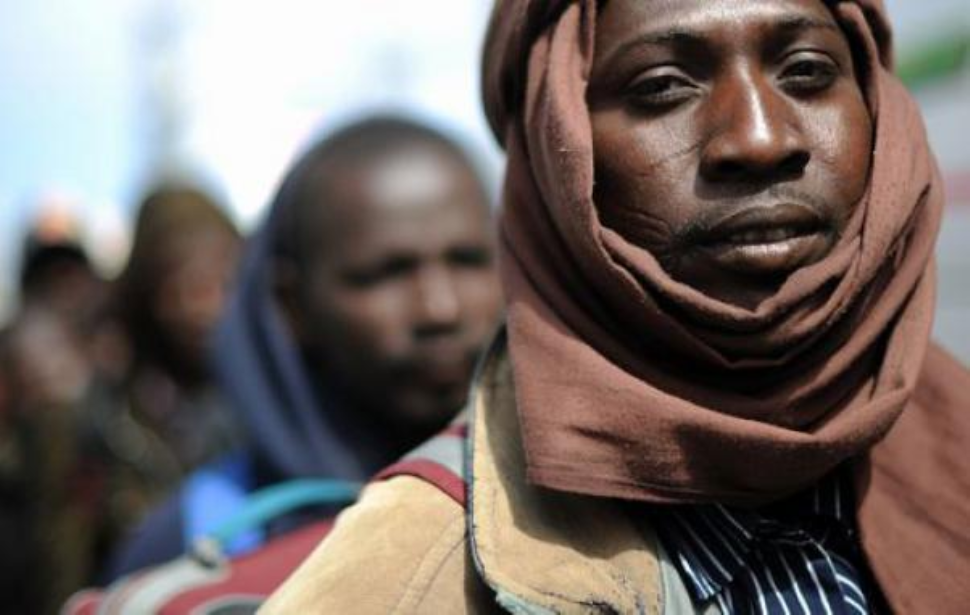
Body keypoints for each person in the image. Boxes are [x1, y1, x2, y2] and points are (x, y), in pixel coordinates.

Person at [263, 1, 970, 614]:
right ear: (553, 150)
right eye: (663, 86)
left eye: (808, 71)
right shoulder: (401, 581)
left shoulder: (952, 441)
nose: (759, 138)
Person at [101, 116, 503, 580]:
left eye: (469, 261)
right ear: (294, 305)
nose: (440, 308)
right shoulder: (200, 544)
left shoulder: (563, 505)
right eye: (385, 273)